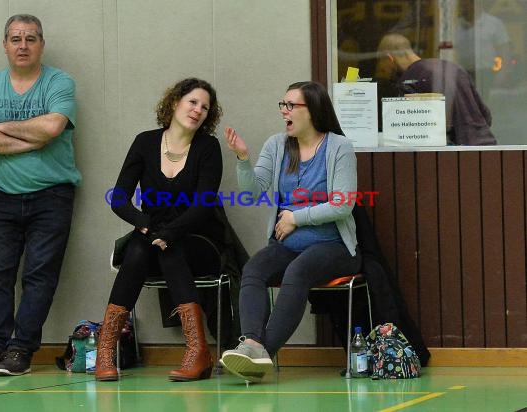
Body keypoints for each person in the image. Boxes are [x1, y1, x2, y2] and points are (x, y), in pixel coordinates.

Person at [219, 81, 362, 382]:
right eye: (282, 104)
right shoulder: (277, 144)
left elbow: (342, 205)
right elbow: (252, 192)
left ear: (312, 110)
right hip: (286, 243)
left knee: (297, 271)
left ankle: (260, 354)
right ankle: (252, 344)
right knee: (254, 269)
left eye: (291, 105)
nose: (284, 111)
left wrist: (297, 217)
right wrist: (243, 159)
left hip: (333, 246)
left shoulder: (339, 147)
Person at [0, 14, 79, 376]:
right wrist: (29, 140)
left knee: (39, 275)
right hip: (2, 196)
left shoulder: (59, 81)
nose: (23, 45)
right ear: (5, 44)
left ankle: (20, 351)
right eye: (15, 38)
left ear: (41, 44)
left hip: (52, 196)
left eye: (31, 39)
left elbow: (52, 126)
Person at [96, 78, 224, 382]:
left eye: (205, 107)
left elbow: (203, 206)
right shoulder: (145, 142)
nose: (198, 110)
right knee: (141, 248)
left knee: (169, 249)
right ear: (175, 102)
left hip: (199, 239)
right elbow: (119, 198)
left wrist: (168, 233)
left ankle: (197, 352)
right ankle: (105, 352)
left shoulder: (208, 147)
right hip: (150, 235)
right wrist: (144, 225)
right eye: (193, 102)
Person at [376, 33, 496, 145]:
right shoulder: (454, 69)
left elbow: (405, 133)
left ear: (389, 58)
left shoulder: (409, 80)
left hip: (455, 156)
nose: (386, 76)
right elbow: (486, 116)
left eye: (384, 70)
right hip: (487, 150)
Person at [455, 0, 511, 101]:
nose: (463, 7)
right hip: (461, 73)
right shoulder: (455, 25)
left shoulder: (493, 23)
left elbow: (505, 50)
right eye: (461, 4)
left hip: (485, 73)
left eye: (466, 4)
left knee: (481, 104)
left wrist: (503, 72)